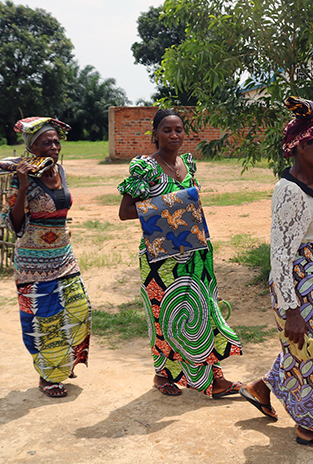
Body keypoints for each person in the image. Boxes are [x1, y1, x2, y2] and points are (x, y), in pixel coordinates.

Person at [240, 98, 313, 451]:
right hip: (305, 294)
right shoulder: (289, 190)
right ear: (302, 146)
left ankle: (261, 388)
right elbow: (280, 255)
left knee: (312, 352)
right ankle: (308, 427)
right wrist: (291, 311)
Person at [118, 108, 242, 397]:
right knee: (164, 317)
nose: (174, 135)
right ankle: (163, 375)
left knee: (205, 312)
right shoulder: (145, 169)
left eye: (178, 130)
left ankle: (214, 375)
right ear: (155, 134)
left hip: (196, 253)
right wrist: (171, 208)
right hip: (160, 258)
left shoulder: (188, 163)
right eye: (167, 130)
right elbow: (125, 211)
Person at [6, 117, 91, 398]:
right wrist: (21, 184)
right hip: (34, 261)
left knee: (79, 309)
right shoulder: (23, 176)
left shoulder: (60, 171)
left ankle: (62, 362)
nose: (54, 146)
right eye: (46, 142)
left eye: (56, 141)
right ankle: (47, 377)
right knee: (45, 319)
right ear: (33, 147)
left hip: (63, 255)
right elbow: (15, 224)